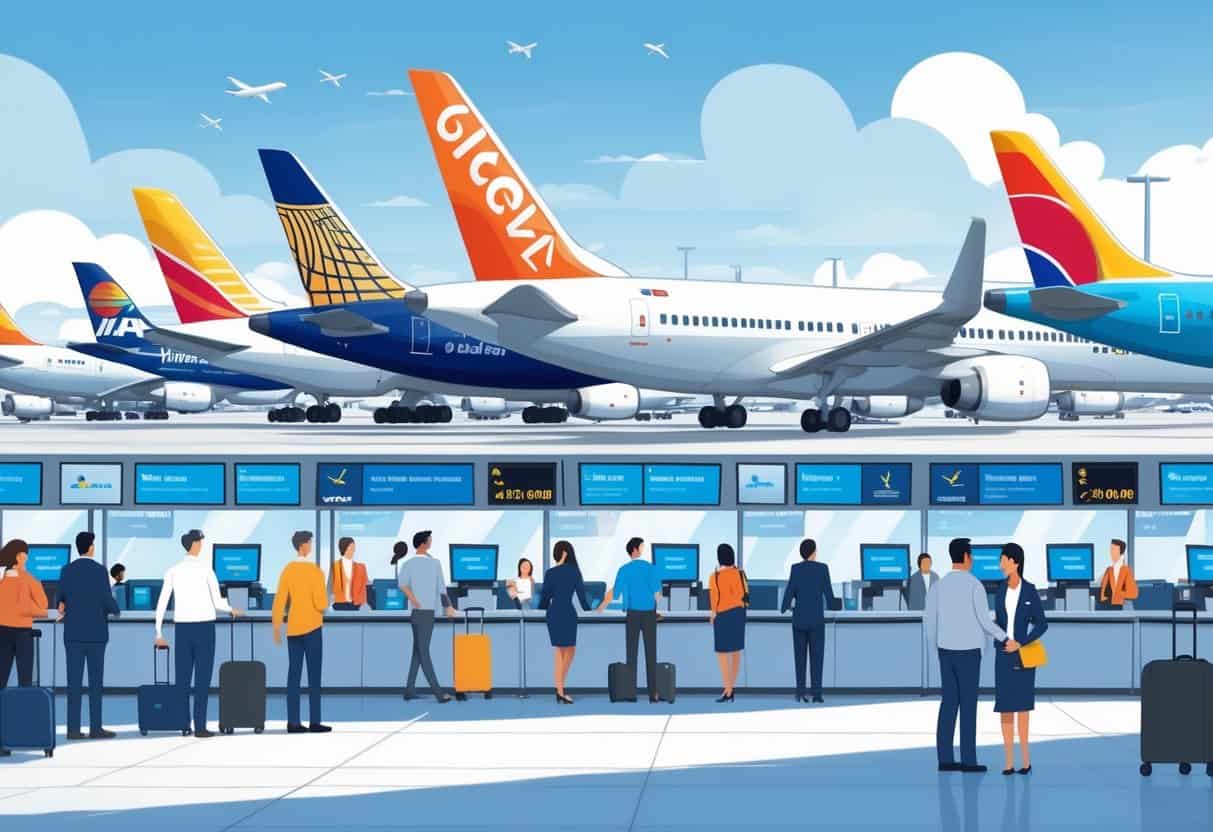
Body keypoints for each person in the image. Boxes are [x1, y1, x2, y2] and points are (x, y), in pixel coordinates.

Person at [925, 537, 1011, 773]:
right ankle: (968, 760)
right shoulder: (975, 585)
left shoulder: (937, 586)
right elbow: (985, 622)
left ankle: (945, 759)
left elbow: (929, 623)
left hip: (946, 652)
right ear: (965, 557)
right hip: (969, 654)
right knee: (968, 706)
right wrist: (1005, 638)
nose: (972, 559)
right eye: (971, 555)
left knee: (949, 703)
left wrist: (936, 650)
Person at [154, 529, 242, 738]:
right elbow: (217, 602)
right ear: (194, 544)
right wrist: (231, 609)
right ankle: (200, 727)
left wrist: (158, 632)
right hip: (204, 628)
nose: (202, 546)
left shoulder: (173, 571)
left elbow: (162, 604)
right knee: (202, 680)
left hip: (182, 629)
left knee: (182, 680)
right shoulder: (206, 571)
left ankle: (184, 725)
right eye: (200, 542)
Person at [56, 531, 120, 740]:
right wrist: (116, 608)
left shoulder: (67, 570)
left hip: (73, 634)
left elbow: (61, 599)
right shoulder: (100, 571)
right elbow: (106, 599)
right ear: (91, 547)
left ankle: (73, 730)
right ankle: (95, 728)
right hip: (95, 635)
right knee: (95, 684)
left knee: (73, 684)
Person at [994, 543, 1048, 775]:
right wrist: (1002, 641)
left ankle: (1025, 760)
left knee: (1023, 707)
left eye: (1004, 560)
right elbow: (997, 622)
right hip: (1003, 654)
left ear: (1015, 562)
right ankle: (1008, 761)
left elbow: (1042, 623)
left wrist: (1021, 642)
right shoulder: (999, 590)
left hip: (1023, 655)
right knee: (1005, 707)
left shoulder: (1030, 591)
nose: (1001, 564)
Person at [272, 531, 331, 733]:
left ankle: (293, 722)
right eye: (310, 542)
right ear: (303, 546)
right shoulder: (315, 571)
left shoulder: (288, 570)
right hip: (313, 627)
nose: (312, 545)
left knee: (293, 675)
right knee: (314, 676)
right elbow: (321, 603)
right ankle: (315, 722)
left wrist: (276, 626)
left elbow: (280, 600)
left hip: (294, 628)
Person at [597, 537, 664, 703]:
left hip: (632, 614)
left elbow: (615, 592)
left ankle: (631, 693)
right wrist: (655, 608)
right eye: (641, 546)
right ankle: (653, 694)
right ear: (635, 549)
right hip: (649, 614)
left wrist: (600, 608)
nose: (642, 549)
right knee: (651, 653)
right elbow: (657, 593)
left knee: (631, 653)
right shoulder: (650, 568)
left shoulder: (624, 569)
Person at [0, 539, 48, 757]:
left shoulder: (2, 580)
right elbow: (43, 610)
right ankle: (25, 733)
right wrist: (23, 607)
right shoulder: (30, 581)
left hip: (2, 633)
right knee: (25, 684)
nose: (27, 557)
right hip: (22, 634)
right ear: (20, 556)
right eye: (26, 554)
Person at [398, 531, 458, 703]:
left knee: (418, 651)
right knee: (424, 652)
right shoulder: (434, 563)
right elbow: (442, 589)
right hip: (427, 612)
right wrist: (448, 607)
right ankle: (439, 693)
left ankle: (409, 690)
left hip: (417, 613)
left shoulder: (408, 564)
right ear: (423, 544)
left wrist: (414, 600)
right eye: (430, 540)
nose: (431, 542)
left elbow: (402, 584)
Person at [781, 539, 837, 703]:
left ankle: (800, 693)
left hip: (799, 619)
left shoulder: (796, 569)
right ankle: (817, 694)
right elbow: (828, 594)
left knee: (800, 658)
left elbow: (790, 591)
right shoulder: (822, 569)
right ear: (814, 552)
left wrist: (784, 608)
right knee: (817, 658)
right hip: (816, 621)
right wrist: (836, 605)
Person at [538, 542, 590, 704]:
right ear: (567, 553)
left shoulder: (550, 573)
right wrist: (590, 610)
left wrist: (540, 610)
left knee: (561, 651)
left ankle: (559, 687)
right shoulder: (574, 571)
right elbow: (582, 598)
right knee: (567, 650)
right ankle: (560, 690)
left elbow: (545, 598)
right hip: (568, 612)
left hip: (554, 612)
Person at [709, 543, 747, 703]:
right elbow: (746, 595)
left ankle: (728, 689)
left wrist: (713, 615)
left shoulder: (714, 576)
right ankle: (731, 688)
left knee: (722, 653)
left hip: (723, 615)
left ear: (719, 558)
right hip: (739, 613)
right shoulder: (740, 573)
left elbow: (714, 600)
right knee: (736, 651)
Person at [1097, 538, 1138, 610]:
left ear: (1120, 552)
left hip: (1119, 608)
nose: (1111, 552)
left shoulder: (1125, 571)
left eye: (1113, 550)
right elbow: (1100, 587)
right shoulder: (1109, 570)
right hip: (1105, 608)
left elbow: (1133, 593)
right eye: (1111, 550)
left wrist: (1118, 593)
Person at [330, 536, 368, 610]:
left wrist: (364, 603)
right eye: (351, 546)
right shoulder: (335, 566)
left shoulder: (361, 567)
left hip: (356, 605)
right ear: (344, 548)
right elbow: (330, 586)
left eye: (354, 546)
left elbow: (365, 586)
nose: (353, 549)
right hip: (338, 604)